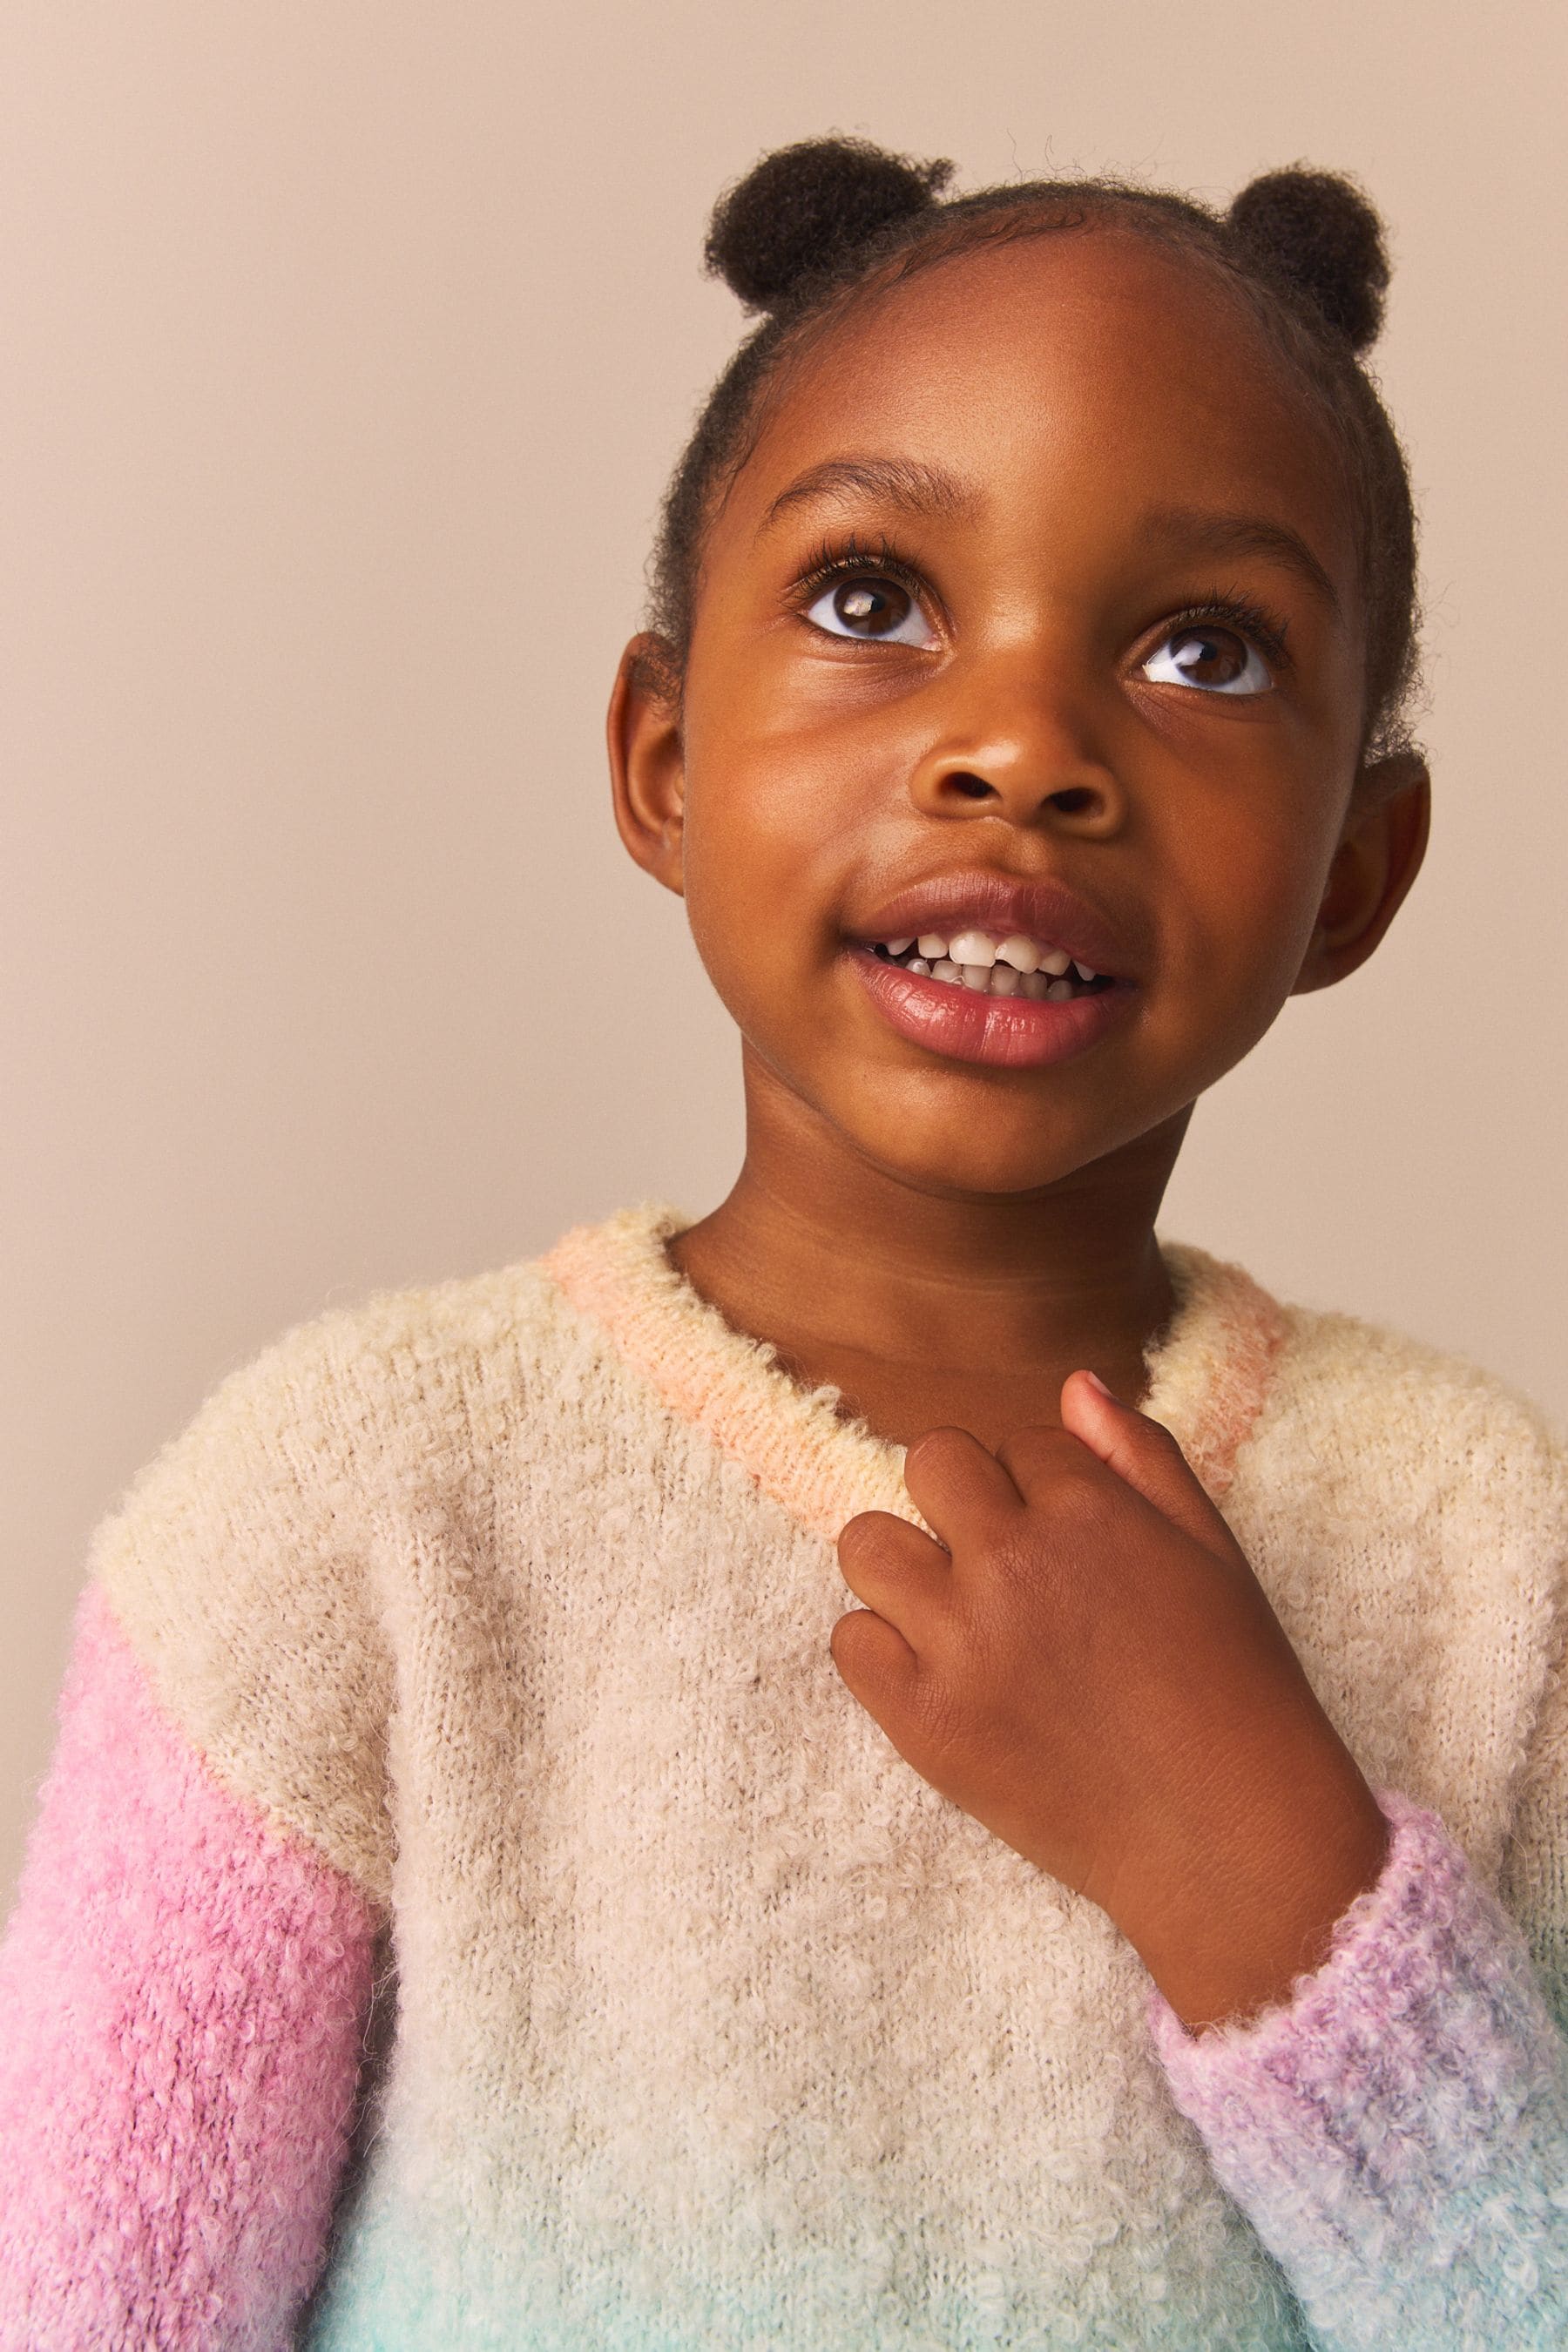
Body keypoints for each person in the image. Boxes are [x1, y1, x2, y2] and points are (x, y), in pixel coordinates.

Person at [1, 132, 1565, 2352]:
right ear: (660, 753)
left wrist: (1278, 1890)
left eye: (1204, 648)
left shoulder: (1495, 1559)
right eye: (870, 600)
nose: (1023, 749)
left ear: (1356, 873)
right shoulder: (341, 1515)